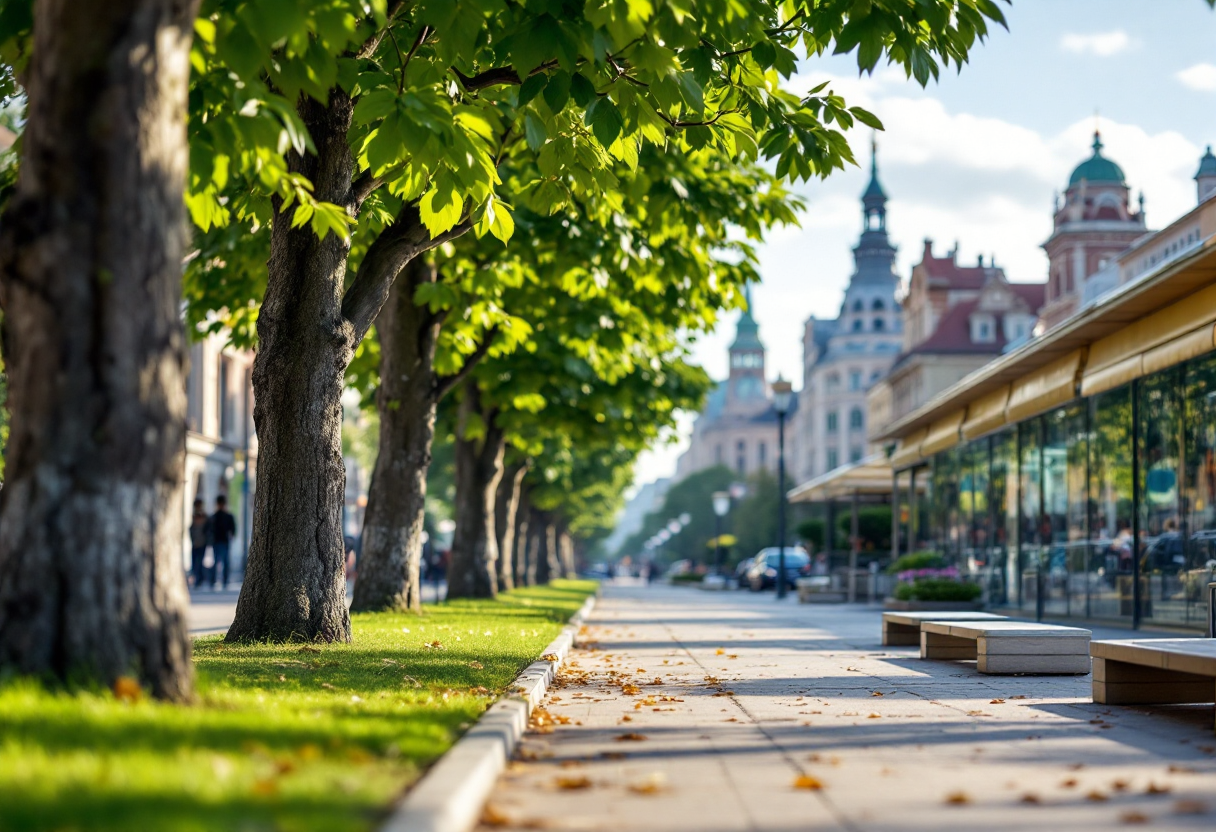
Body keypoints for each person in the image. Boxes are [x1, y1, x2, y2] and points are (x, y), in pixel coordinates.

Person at [209, 494, 237, 590]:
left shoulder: (221, 516)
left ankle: (223, 580)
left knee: (223, 561)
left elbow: (233, 528)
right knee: (219, 561)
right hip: (218, 541)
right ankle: (217, 580)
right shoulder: (216, 516)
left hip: (223, 541)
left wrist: (232, 535)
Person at [188, 498, 210, 588]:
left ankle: (200, 579)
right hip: (195, 543)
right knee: (195, 562)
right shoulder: (193, 516)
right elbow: (191, 529)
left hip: (202, 542)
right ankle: (197, 579)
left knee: (200, 562)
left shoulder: (205, 516)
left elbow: (208, 529)